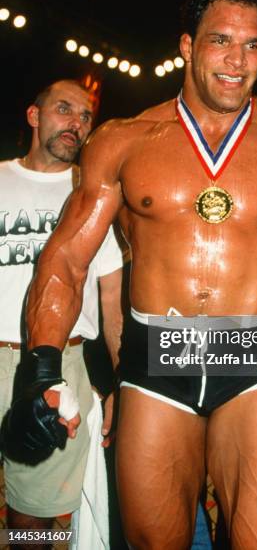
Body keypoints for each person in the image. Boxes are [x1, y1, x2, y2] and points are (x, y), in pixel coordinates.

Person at [16, 0, 257, 549]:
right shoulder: (123, 140)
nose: (238, 60)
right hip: (158, 362)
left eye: (253, 44)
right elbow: (68, 258)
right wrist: (40, 368)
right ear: (186, 45)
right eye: (220, 41)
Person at [0, 79, 124, 543]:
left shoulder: (96, 197)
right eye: (64, 109)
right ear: (34, 116)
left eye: (86, 116)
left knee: (33, 519)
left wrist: (119, 384)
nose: (76, 122)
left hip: (60, 366)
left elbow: (113, 304)